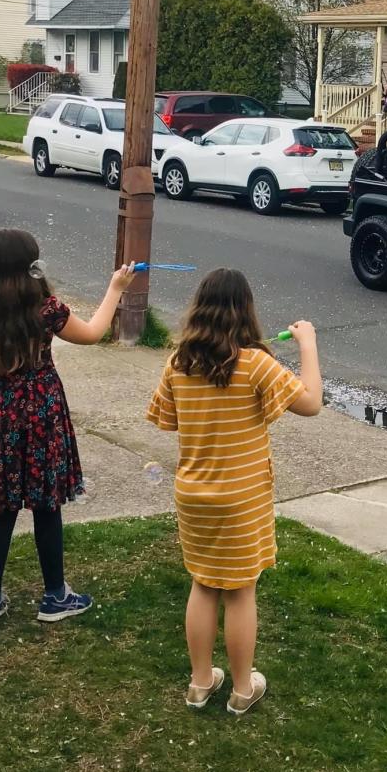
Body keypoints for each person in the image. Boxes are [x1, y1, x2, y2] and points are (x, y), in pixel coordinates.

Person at [147, 268, 323, 715]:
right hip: (241, 497)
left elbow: (168, 422)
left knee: (203, 585)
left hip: (194, 494)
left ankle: (200, 683)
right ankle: (243, 689)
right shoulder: (255, 363)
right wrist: (307, 344)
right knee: (241, 590)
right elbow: (311, 403)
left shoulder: (178, 362)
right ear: (245, 311)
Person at [0, 228, 134, 628]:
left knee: (0, 508)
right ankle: (55, 597)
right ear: (32, 268)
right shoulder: (46, 307)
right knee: (45, 504)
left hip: (0, 411)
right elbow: (93, 333)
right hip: (42, 409)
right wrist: (116, 287)